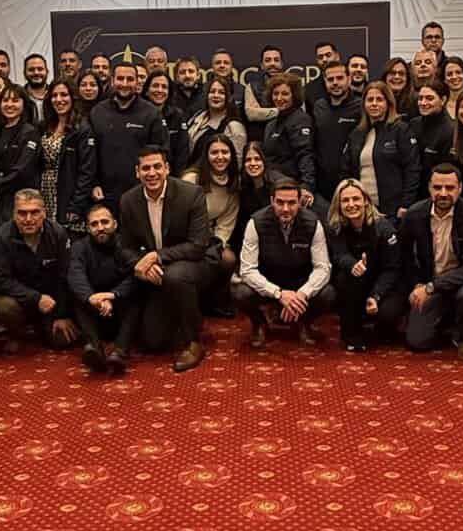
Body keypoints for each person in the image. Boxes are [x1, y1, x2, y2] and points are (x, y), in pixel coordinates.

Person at [117, 146, 212, 371]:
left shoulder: (191, 194)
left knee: (175, 276)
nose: (152, 173)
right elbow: (125, 247)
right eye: (146, 168)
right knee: (153, 342)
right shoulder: (128, 200)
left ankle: (193, 341)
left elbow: (198, 245)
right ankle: (180, 321)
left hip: (194, 263)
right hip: (155, 273)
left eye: (157, 167)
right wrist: (140, 264)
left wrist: (156, 256)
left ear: (167, 168)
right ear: (137, 172)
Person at [399, 163, 463, 358]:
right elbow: (404, 257)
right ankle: (444, 322)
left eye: (450, 188)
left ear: (460, 188)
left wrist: (431, 287)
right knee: (417, 342)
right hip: (429, 283)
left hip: (462, 284)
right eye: (437, 187)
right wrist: (416, 284)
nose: (443, 193)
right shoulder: (414, 215)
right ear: (429, 188)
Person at [235, 178, 334, 348]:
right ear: (272, 201)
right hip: (268, 282)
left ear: (299, 202)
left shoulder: (313, 223)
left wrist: (302, 294)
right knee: (240, 292)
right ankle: (260, 323)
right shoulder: (255, 223)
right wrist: (279, 294)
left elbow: (323, 268)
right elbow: (247, 270)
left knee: (328, 293)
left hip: (300, 283)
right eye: (280, 202)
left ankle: (304, 321)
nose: (286, 208)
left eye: (291, 203)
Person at [0, 189, 79, 354]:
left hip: (51, 302)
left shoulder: (58, 234)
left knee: (62, 340)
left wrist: (61, 314)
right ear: (14, 214)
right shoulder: (0, 238)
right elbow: (0, 280)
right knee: (3, 306)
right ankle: (17, 334)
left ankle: (42, 328)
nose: (28, 219)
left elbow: (65, 276)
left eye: (34, 212)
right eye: (22, 213)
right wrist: (35, 298)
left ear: (44, 213)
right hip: (20, 300)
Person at [327, 178, 404, 351]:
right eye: (345, 200)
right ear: (339, 205)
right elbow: (339, 254)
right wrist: (352, 265)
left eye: (356, 199)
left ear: (366, 201)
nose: (351, 204)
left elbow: (392, 269)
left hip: (384, 284)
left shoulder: (384, 229)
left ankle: (381, 328)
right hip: (356, 281)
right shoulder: (335, 227)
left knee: (388, 314)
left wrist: (376, 295)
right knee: (344, 279)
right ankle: (352, 335)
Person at [68, 202, 140, 375]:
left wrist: (113, 295)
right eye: (94, 224)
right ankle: (94, 348)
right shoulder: (79, 248)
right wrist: (91, 298)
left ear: (115, 224)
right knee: (78, 298)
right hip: (94, 309)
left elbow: (135, 275)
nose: (100, 228)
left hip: (121, 307)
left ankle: (120, 352)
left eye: (105, 222)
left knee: (137, 296)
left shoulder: (127, 244)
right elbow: (75, 276)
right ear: (88, 228)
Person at [89, 62, 167, 207]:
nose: (125, 84)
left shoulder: (151, 113)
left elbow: (160, 154)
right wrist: (94, 183)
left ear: (137, 82)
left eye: (130, 79)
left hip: (142, 194)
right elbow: (90, 154)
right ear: (112, 80)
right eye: (120, 78)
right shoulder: (97, 112)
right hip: (104, 193)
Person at [181, 133, 242, 314]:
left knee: (228, 259)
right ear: (206, 155)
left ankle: (214, 303)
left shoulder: (233, 184)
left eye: (225, 152)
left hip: (210, 239)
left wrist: (216, 245)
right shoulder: (192, 179)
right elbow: (179, 216)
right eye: (214, 152)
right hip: (185, 236)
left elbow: (225, 223)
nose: (220, 157)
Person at [343, 81, 420, 219]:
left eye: (379, 99)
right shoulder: (356, 134)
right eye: (370, 100)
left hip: (394, 210)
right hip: (363, 210)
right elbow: (347, 170)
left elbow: (412, 169)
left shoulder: (401, 130)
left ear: (388, 103)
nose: (374, 104)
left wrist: (406, 204)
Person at [39, 79, 96, 236]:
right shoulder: (44, 126)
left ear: (73, 97)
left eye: (64, 95)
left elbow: (87, 171)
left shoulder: (82, 128)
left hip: (69, 195)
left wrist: (76, 205)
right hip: (46, 192)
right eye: (54, 95)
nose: (59, 100)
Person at [0, 84, 41, 225]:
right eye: (5, 100)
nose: (9, 105)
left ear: (24, 104)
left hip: (19, 197)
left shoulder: (30, 132)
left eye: (15, 100)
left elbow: (22, 170)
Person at [311, 59, 363, 201]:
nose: (335, 83)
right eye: (330, 79)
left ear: (349, 79)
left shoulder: (361, 106)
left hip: (352, 181)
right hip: (322, 184)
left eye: (339, 78)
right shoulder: (319, 107)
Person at [262, 73, 317, 200]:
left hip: (294, 188)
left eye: (285, 94)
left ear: (294, 95)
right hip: (274, 186)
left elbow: (305, 154)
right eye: (275, 93)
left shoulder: (300, 120)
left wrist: (307, 185)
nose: (279, 98)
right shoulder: (271, 125)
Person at [186, 75, 248, 168]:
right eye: (212, 91)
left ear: (228, 97)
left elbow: (237, 163)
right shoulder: (197, 117)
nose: (216, 95)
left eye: (221, 92)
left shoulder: (234, 127)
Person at [144, 69, 191, 170]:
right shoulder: (139, 114)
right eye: (155, 86)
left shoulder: (177, 116)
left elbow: (182, 152)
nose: (160, 90)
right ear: (147, 90)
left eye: (164, 87)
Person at [411, 82, 455, 185]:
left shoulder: (451, 130)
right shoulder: (413, 124)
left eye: (429, 98)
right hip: (413, 185)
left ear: (443, 100)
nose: (423, 103)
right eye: (420, 98)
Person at [304, 41, 342, 112]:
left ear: (337, 56)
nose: (324, 59)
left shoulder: (350, 83)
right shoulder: (310, 89)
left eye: (328, 55)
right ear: (317, 60)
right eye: (320, 57)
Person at [172, 56, 205, 121]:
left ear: (198, 75)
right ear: (177, 77)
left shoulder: (207, 94)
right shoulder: (170, 96)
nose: (187, 75)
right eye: (182, 72)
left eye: (191, 71)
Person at [21, 54, 50, 124]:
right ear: (24, 73)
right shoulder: (19, 96)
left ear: (47, 71)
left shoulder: (55, 95)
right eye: (31, 70)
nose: (36, 73)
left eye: (40, 69)